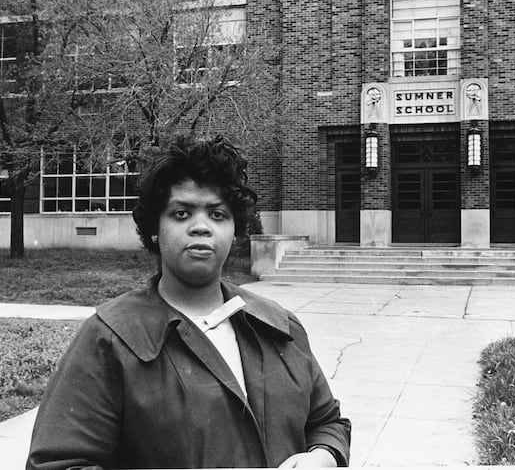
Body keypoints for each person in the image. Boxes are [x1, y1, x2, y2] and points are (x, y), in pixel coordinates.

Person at [26, 135, 351, 469]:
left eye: (218, 214)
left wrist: (323, 456)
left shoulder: (280, 327)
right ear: (155, 228)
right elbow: (59, 462)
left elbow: (327, 422)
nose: (201, 227)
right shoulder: (110, 339)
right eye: (181, 213)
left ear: (234, 229)